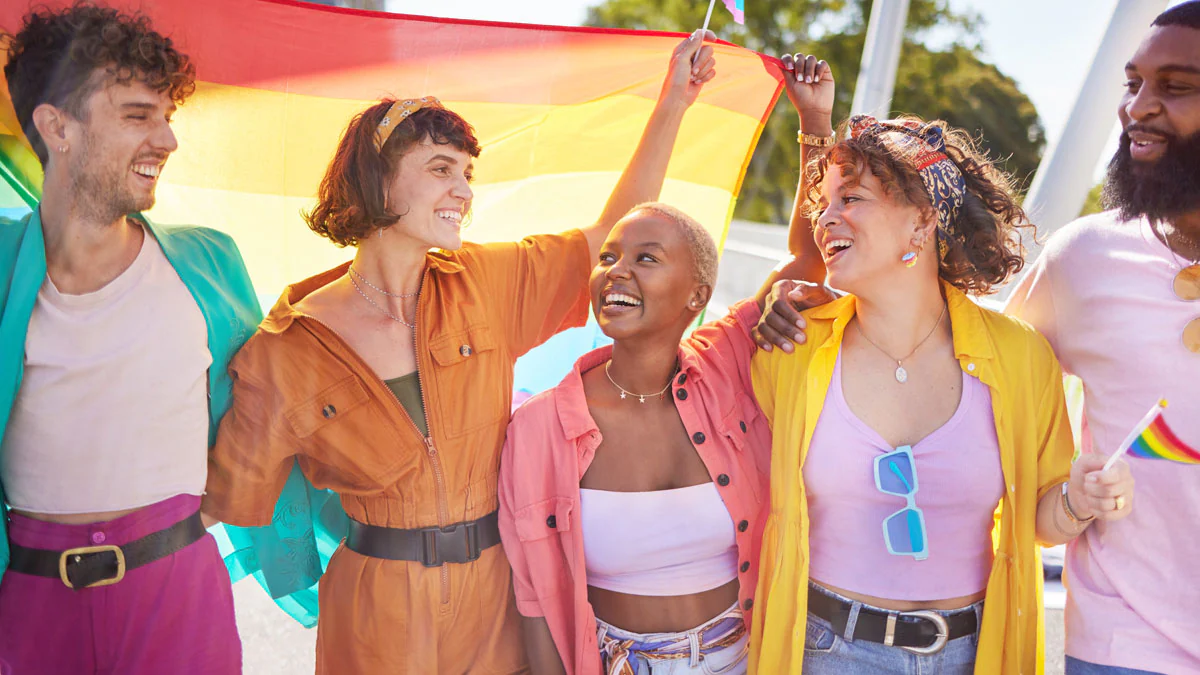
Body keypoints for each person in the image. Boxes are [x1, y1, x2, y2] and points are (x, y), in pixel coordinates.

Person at [201, 31, 718, 674]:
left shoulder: (485, 283)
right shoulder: (284, 350)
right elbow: (227, 505)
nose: (465, 192)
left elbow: (604, 239)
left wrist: (674, 102)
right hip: (375, 608)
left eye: (467, 174)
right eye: (441, 169)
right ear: (377, 177)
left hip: (496, 595)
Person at [746, 56, 1135, 674]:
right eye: (824, 204)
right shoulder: (791, 346)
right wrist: (814, 122)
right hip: (825, 651)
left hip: (975, 654)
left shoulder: (1018, 354)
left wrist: (1080, 499)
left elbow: (1043, 521)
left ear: (922, 221)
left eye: (853, 199)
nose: (826, 218)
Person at [495, 54, 834, 675]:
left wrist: (814, 120)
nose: (616, 271)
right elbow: (534, 599)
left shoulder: (728, 365)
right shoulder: (539, 426)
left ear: (697, 296)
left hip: (747, 656)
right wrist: (675, 100)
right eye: (610, 257)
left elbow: (810, 260)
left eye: (647, 259)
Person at [0, 4, 260, 674]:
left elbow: (277, 404)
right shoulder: (2, 267)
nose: (168, 139)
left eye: (167, 116)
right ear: (56, 126)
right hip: (26, 604)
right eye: (138, 115)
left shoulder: (210, 263)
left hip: (176, 592)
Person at [1006, 4, 1200, 673]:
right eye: (1132, 82)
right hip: (1124, 644)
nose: (1138, 108)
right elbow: (976, 379)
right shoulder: (1085, 256)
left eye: (1176, 87)